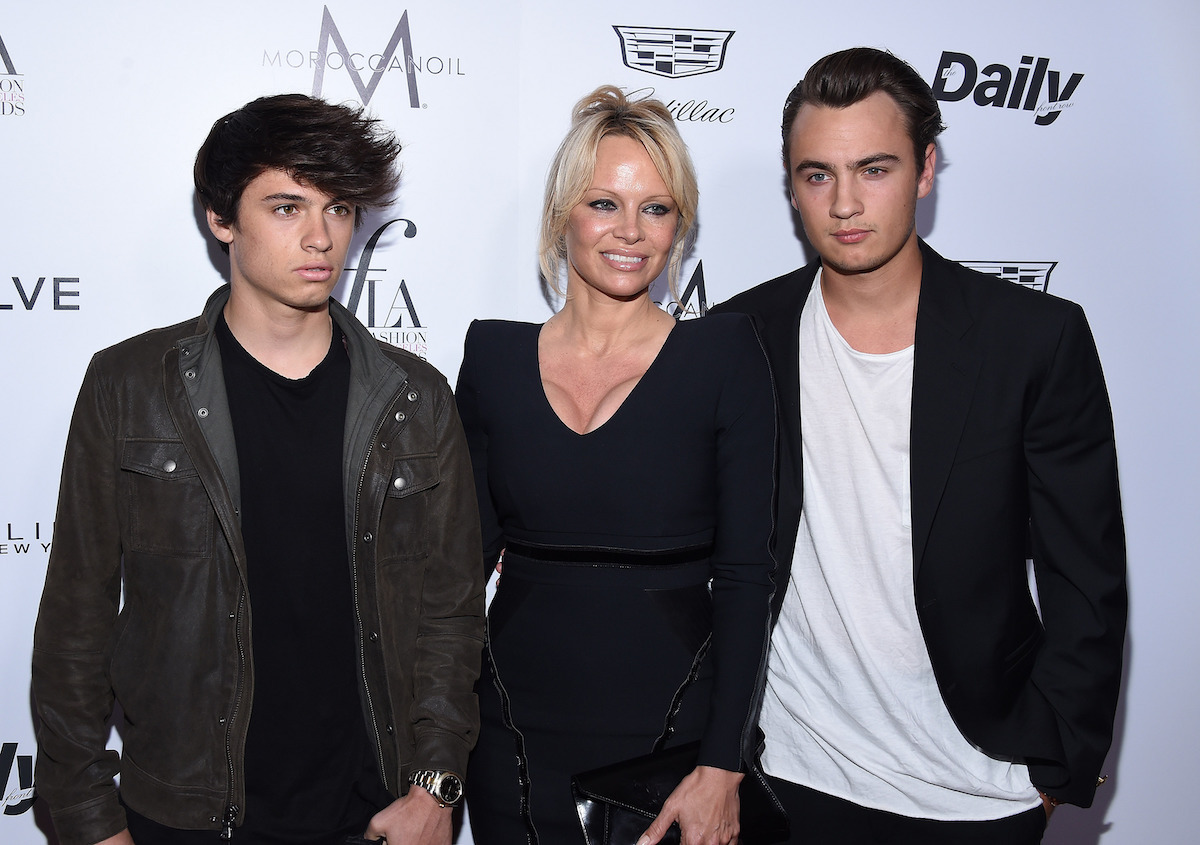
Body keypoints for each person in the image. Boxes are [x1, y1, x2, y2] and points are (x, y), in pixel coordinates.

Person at [31, 94, 485, 845]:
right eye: (285, 207)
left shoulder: (415, 398)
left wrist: (435, 788)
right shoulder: (129, 386)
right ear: (221, 218)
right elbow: (75, 620)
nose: (320, 237)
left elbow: (451, 613)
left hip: (372, 813)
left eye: (339, 209)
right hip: (182, 811)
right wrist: (86, 819)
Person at [712, 47, 1127, 843]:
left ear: (925, 168)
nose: (843, 203)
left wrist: (1054, 770)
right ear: (792, 185)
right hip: (790, 776)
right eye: (817, 174)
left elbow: (1089, 583)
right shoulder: (741, 336)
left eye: (874, 169)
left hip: (975, 787)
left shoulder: (1033, 340)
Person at [455, 86, 777, 845]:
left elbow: (746, 578)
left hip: (674, 744)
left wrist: (724, 764)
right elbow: (457, 579)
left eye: (657, 209)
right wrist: (432, 757)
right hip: (511, 739)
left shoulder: (724, 358)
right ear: (561, 213)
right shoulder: (492, 359)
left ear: (680, 225)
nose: (631, 231)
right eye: (604, 202)